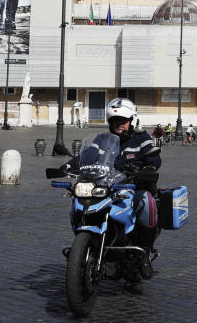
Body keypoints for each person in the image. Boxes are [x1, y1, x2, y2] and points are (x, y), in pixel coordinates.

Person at [62, 98, 161, 266]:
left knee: (144, 200)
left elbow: (153, 157)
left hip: (134, 185)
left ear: (132, 121)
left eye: (123, 121)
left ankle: (143, 252)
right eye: (115, 120)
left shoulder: (141, 138)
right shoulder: (102, 140)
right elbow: (88, 155)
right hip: (108, 184)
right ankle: (89, 244)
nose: (119, 124)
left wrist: (149, 168)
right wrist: (69, 165)